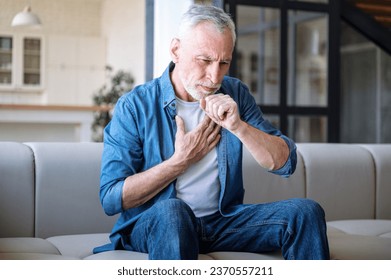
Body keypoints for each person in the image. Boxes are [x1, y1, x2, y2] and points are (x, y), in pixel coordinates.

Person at [94, 4, 330, 260]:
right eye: (205, 60)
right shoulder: (135, 106)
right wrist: (179, 162)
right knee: (173, 212)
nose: (214, 76)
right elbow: (111, 198)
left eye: (224, 63)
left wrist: (239, 127)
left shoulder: (235, 94)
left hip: (222, 222)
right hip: (157, 224)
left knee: (305, 212)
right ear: (176, 50)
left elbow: (285, 163)